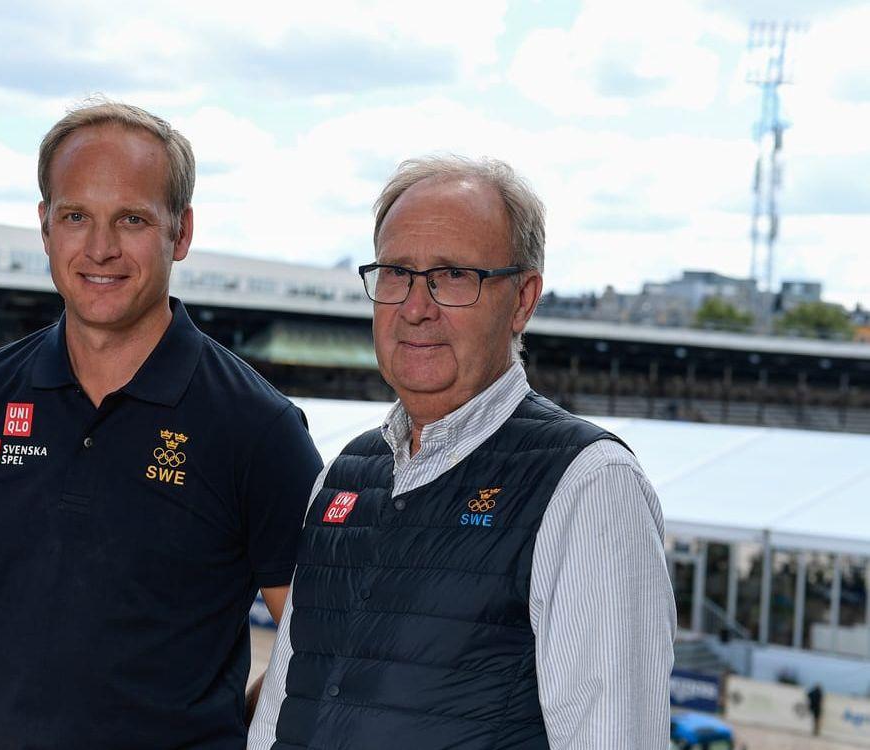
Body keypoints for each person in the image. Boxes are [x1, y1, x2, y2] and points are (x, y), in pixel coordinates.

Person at [0, 100, 323, 749]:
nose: (100, 248)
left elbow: (311, 643)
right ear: (46, 226)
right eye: (76, 215)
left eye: (132, 219)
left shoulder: (259, 428)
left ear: (181, 232)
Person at [248, 155, 675, 749]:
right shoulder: (345, 474)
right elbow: (281, 711)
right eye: (397, 273)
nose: (416, 307)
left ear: (523, 299)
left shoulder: (588, 486)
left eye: (452, 276)